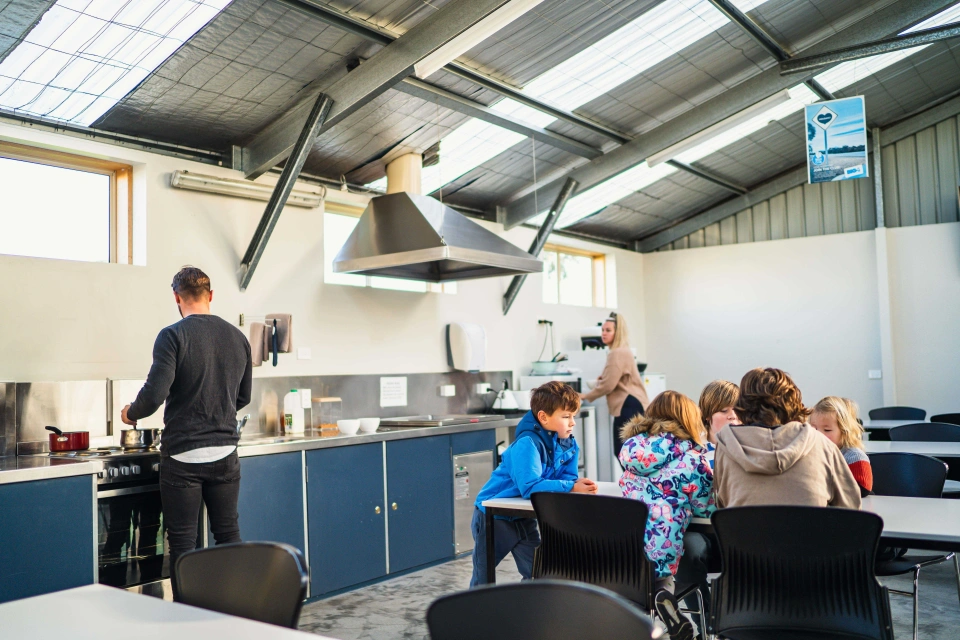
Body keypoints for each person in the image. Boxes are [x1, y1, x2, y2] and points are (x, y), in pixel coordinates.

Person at [121, 267, 252, 595]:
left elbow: (153, 396)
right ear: (210, 296)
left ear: (177, 298)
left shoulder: (173, 336)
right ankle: (234, 612)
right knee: (228, 535)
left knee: (183, 542)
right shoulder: (238, 338)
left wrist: (130, 413)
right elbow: (244, 396)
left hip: (182, 457)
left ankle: (185, 619)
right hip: (226, 454)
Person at [470, 381, 597, 587]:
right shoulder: (527, 444)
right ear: (543, 417)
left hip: (524, 518)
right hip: (493, 519)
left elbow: (568, 477)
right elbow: (530, 487)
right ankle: (473, 617)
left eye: (573, 416)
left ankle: (534, 614)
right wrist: (572, 487)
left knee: (538, 574)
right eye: (566, 417)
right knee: (483, 580)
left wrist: (575, 484)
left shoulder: (569, 443)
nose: (572, 422)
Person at [618, 391, 714, 640]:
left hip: (623, 555)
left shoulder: (630, 452)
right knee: (665, 571)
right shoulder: (693, 461)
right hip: (662, 551)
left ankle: (651, 606)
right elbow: (705, 508)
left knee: (651, 579)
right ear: (690, 420)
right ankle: (663, 597)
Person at [713, 368, 860, 509]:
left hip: (745, 534)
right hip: (810, 534)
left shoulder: (726, 445)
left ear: (742, 404)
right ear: (793, 402)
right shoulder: (822, 443)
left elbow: (722, 503)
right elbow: (849, 507)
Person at [580, 311, 649, 462]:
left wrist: (586, 395)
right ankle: (635, 484)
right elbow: (615, 379)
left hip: (628, 405)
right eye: (603, 330)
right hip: (633, 404)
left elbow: (608, 385)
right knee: (632, 451)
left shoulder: (617, 353)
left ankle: (633, 484)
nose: (603, 334)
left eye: (608, 330)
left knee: (624, 451)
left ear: (618, 332)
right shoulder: (622, 350)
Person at [810, 396, 873, 496]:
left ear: (844, 432)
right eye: (814, 428)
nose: (819, 434)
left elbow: (862, 489)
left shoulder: (855, 457)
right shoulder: (813, 453)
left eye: (827, 430)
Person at [698, 379, 741, 469]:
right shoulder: (694, 450)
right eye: (724, 411)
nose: (733, 416)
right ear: (707, 414)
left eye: (737, 410)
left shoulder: (751, 448)